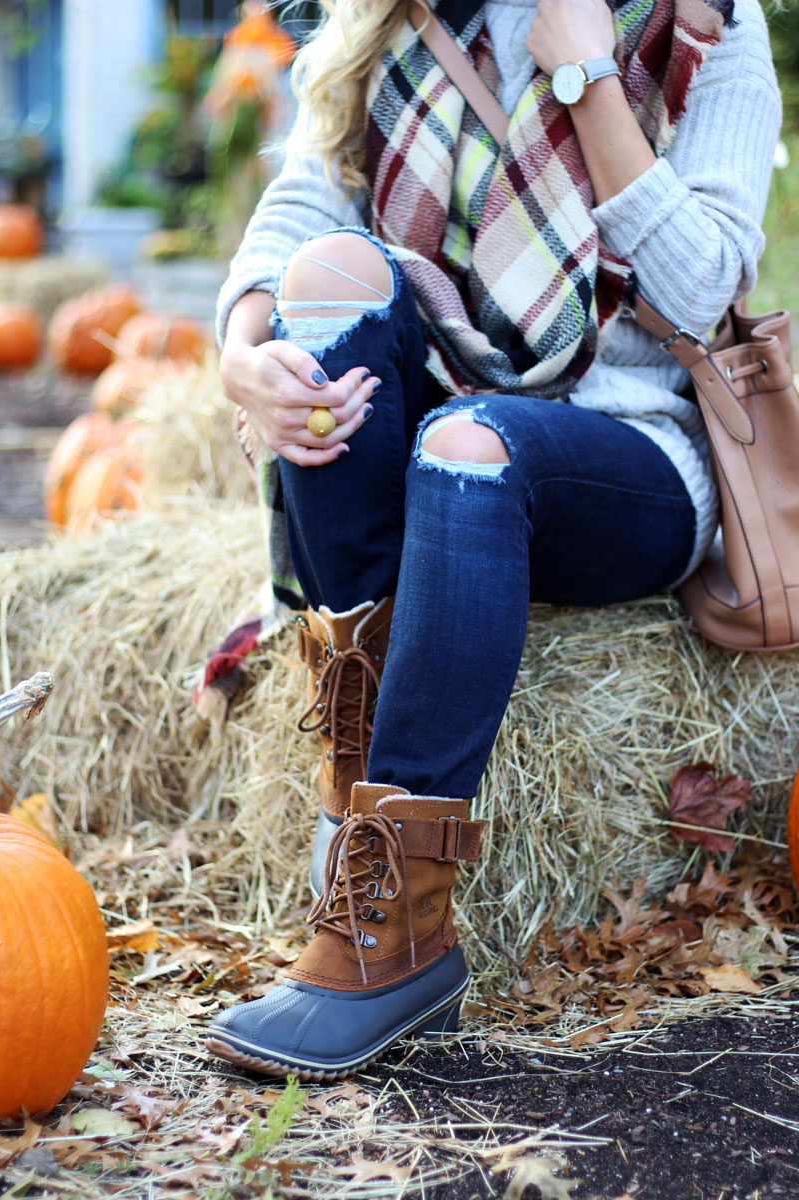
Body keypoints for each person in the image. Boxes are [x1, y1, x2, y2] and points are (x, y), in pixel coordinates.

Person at [205, 0, 780, 1080]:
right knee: (329, 286)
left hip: (628, 458)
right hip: (434, 434)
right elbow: (293, 220)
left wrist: (584, 76)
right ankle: (365, 867)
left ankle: (390, 925)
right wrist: (241, 358)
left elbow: (700, 291)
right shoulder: (401, 20)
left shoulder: (705, 28)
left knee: (469, 444)